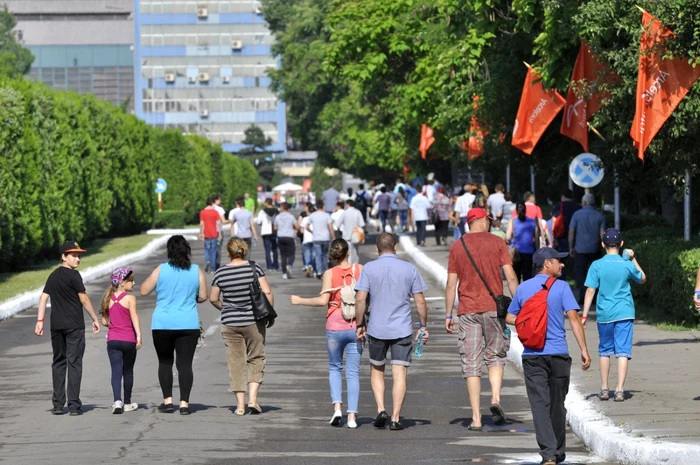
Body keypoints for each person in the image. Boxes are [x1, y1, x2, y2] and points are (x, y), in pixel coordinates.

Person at [506, 247, 591, 465]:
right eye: (557, 261)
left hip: (533, 355)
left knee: (539, 405)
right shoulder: (562, 287)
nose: (561, 264)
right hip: (559, 355)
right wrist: (583, 349)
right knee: (557, 404)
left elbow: (509, 317)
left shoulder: (523, 289)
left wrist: (529, 324)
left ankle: (549, 454)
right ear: (546, 264)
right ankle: (557, 451)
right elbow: (573, 318)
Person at [445, 208, 519, 430]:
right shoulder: (498, 243)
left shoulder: (457, 246)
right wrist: (519, 305)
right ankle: (495, 399)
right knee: (496, 355)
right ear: (480, 220)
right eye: (488, 220)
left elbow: (451, 284)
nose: (490, 223)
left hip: (468, 311)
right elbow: (511, 276)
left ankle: (476, 418)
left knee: (472, 363)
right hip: (495, 310)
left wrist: (448, 314)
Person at [355, 233, 429, 431]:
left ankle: (381, 409)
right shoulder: (409, 268)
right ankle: (395, 418)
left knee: (377, 369)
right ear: (395, 247)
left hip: (376, 329)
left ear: (377, 249)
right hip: (402, 329)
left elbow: (361, 299)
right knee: (400, 373)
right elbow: (420, 301)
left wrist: (360, 323)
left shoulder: (369, 268)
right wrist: (423, 326)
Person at [290, 239, 364, 428]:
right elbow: (365, 297)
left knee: (334, 368)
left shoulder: (329, 274)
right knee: (353, 373)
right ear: (348, 252)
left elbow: (323, 301)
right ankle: (352, 417)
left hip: (334, 326)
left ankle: (337, 408)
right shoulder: (359, 269)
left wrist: (299, 301)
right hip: (355, 326)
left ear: (333, 255)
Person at [140, 235, 208, 415]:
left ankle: (168, 401)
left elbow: (144, 290)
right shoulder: (196, 270)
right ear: (187, 250)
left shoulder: (161, 270)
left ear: (169, 251)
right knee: (185, 364)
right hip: (188, 323)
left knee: (165, 362)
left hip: (162, 324)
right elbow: (203, 296)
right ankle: (184, 403)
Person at [209, 237, 274, 416]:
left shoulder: (221, 272)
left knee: (235, 362)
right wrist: (269, 313)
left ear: (228, 252)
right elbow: (267, 291)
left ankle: (240, 406)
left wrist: (226, 308)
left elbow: (213, 297)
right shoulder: (254, 268)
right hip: (254, 321)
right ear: (244, 250)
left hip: (230, 323)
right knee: (256, 358)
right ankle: (253, 399)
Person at [35, 241, 101, 416]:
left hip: (56, 326)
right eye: (73, 255)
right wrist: (94, 318)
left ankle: (58, 405)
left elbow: (43, 298)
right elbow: (84, 299)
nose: (77, 259)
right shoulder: (74, 276)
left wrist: (40, 320)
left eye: (79, 255)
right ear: (63, 257)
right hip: (74, 326)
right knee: (74, 363)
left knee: (58, 363)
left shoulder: (53, 276)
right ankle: (73, 406)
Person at [581, 229, 646, 402]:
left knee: (604, 351)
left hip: (605, 314)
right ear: (621, 244)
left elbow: (590, 290)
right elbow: (642, 278)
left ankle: (604, 388)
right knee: (623, 352)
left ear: (602, 245)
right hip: (625, 312)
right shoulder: (626, 263)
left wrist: (585, 315)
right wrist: (633, 258)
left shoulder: (596, 265)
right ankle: (619, 390)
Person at [99, 267, 142, 414]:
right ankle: (128, 402)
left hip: (113, 340)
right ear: (122, 283)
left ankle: (117, 401)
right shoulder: (130, 298)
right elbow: (134, 317)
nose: (134, 283)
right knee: (128, 371)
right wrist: (139, 336)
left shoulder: (107, 299)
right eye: (131, 281)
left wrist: (114, 324)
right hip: (128, 339)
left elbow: (105, 321)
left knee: (116, 371)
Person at [569, 193, 606, 302]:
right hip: (595, 249)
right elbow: (602, 233)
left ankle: (583, 294)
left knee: (580, 272)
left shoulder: (576, 215)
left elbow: (571, 231)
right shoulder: (600, 216)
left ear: (584, 203)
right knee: (595, 273)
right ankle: (594, 296)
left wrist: (571, 246)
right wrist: (604, 247)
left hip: (580, 250)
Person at [506, 203, 537, 283]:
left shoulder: (512, 221)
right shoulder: (531, 221)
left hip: (516, 252)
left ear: (516, 211)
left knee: (516, 275)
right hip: (528, 252)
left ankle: (517, 293)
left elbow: (508, 237)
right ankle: (528, 293)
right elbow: (536, 237)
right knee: (528, 276)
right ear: (525, 210)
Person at [307, 200, 336, 278]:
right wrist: (333, 237)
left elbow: (307, 226)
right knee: (324, 255)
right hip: (325, 238)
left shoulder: (312, 215)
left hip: (316, 238)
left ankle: (319, 271)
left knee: (318, 255)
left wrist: (312, 231)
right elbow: (330, 227)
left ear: (316, 207)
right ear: (323, 206)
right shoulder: (327, 215)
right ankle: (324, 271)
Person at [274, 202, 298, 279]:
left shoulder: (277, 217)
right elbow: (296, 226)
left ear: (282, 208)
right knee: (291, 254)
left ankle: (284, 273)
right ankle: (290, 264)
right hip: (289, 236)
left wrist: (281, 228)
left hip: (280, 236)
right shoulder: (291, 217)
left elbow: (275, 227)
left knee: (283, 255)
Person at [255, 198, 280, 272]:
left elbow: (259, 221)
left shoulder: (262, 211)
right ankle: (275, 265)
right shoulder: (276, 211)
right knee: (275, 249)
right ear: (272, 203)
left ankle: (269, 266)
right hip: (275, 232)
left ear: (266, 203)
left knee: (267, 250)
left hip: (266, 232)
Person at [339, 199, 366, 265]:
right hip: (356, 236)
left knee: (347, 253)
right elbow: (362, 224)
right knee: (355, 253)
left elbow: (338, 224)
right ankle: (355, 267)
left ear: (348, 204)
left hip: (346, 236)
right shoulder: (358, 212)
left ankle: (348, 266)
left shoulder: (345, 212)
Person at [200, 197, 222, 273]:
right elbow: (218, 224)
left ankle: (207, 261)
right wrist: (219, 234)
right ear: (212, 203)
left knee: (207, 249)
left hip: (206, 234)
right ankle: (213, 269)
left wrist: (201, 233)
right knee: (213, 251)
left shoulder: (202, 212)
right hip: (214, 234)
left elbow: (202, 224)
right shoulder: (215, 212)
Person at [212, 195, 231, 269]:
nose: (221, 201)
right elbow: (223, 221)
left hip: (209, 231)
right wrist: (231, 220)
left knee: (211, 249)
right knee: (218, 249)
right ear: (216, 200)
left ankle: (211, 264)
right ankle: (217, 265)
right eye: (219, 200)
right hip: (218, 231)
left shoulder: (207, 209)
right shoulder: (220, 209)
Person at [299, 203, 317, 277]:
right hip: (315, 239)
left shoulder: (305, 219)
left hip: (306, 239)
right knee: (314, 255)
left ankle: (307, 266)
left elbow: (301, 230)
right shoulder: (316, 218)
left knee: (307, 254)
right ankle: (313, 268)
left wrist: (305, 233)